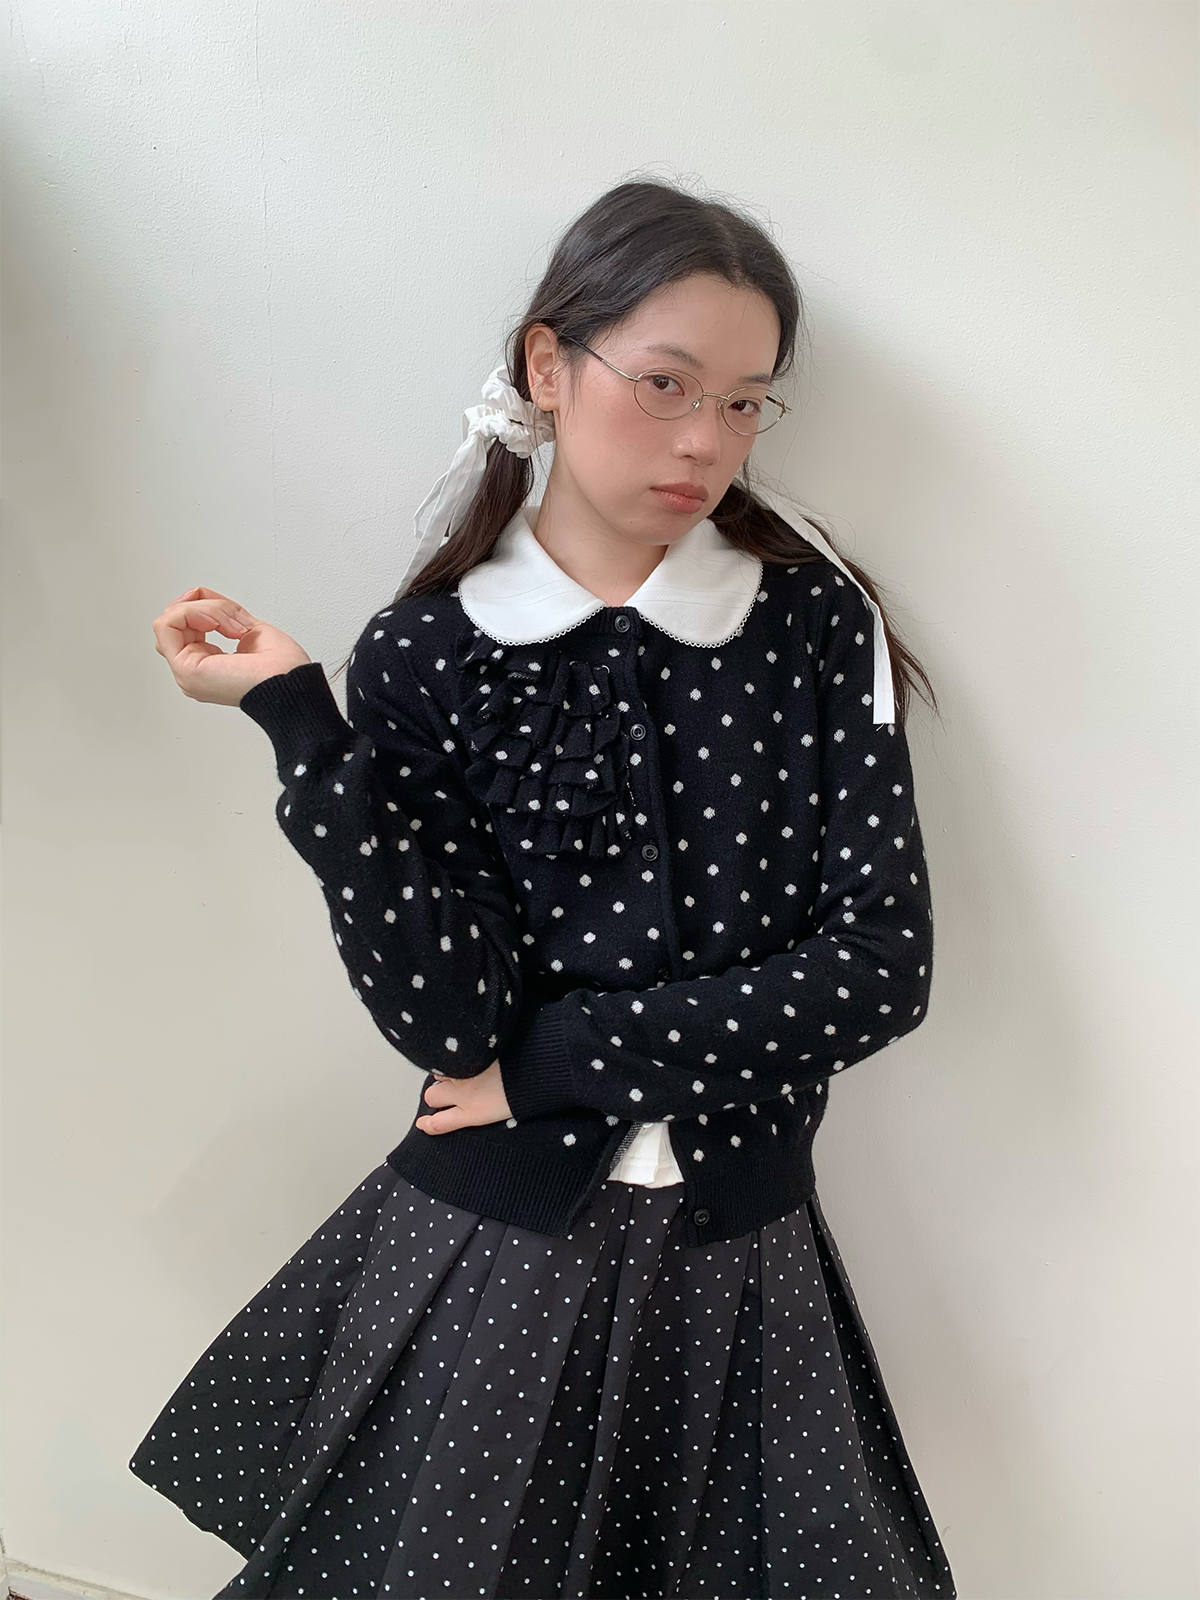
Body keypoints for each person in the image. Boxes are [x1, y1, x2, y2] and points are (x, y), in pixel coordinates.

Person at [132, 178, 956, 1600]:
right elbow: (448, 1023)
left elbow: (883, 968)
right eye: (665, 383)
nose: (705, 441)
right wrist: (303, 727)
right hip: (491, 1243)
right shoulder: (428, 653)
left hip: (739, 1253)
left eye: (745, 402)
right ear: (547, 366)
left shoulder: (815, 625)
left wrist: (556, 1059)